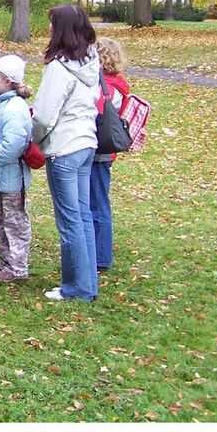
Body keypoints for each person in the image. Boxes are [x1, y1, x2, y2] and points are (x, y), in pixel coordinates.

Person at [30, 3, 101, 303]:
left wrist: (35, 139)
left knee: (70, 219)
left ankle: (76, 287)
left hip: (64, 148)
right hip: (86, 143)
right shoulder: (91, 62)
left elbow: (44, 116)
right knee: (82, 216)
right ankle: (87, 283)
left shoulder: (59, 68)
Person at [0, 54, 34, 284]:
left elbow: (14, 144)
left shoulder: (14, 109)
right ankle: (5, 261)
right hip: (4, 175)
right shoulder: (4, 104)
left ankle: (18, 266)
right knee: (2, 220)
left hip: (12, 175)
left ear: (8, 81)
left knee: (15, 222)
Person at [89, 35, 130, 272]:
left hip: (99, 149)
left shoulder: (106, 87)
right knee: (98, 200)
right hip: (105, 150)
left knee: (97, 202)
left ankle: (101, 255)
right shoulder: (117, 85)